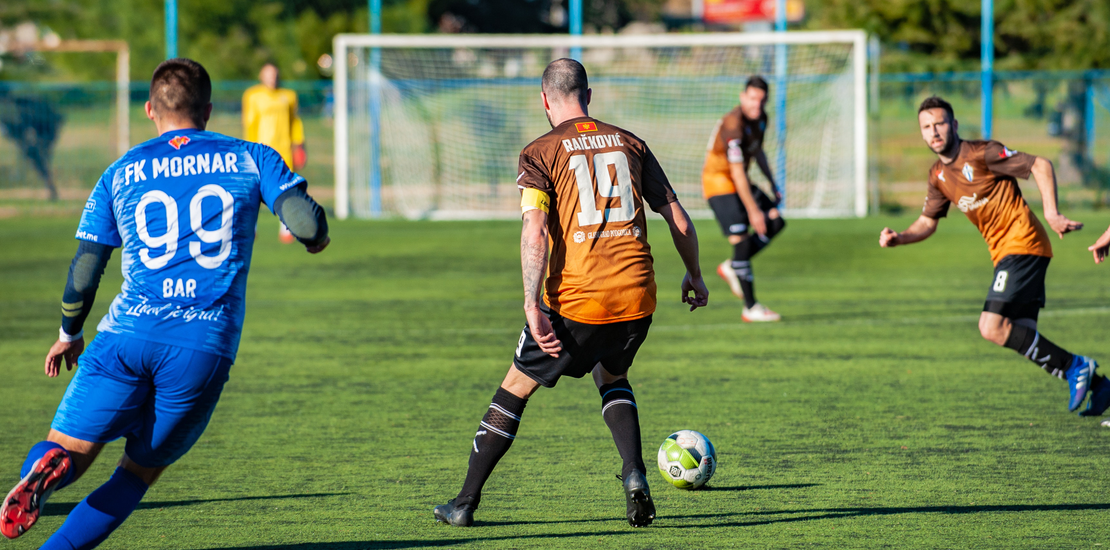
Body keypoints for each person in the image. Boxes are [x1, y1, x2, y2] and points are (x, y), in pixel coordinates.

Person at [0, 58, 330, 547]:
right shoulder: (251, 156)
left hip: (124, 335)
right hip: (201, 346)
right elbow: (306, 225)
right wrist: (316, 237)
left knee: (69, 448)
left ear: (151, 109)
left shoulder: (121, 170)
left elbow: (86, 267)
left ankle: (49, 471)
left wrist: (70, 331)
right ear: (209, 110)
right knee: (135, 475)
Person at [432, 58, 708, 528]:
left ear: (544, 99)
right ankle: (634, 474)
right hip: (638, 296)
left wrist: (530, 303)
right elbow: (678, 218)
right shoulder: (630, 142)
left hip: (578, 301)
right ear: (589, 95)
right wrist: (695, 275)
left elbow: (534, 230)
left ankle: (464, 503)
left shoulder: (539, 151)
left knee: (514, 389)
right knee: (612, 374)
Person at [879, 96, 1106, 416]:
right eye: (926, 127)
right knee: (1020, 334)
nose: (934, 132)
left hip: (1023, 243)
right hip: (1006, 254)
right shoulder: (937, 176)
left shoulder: (982, 154)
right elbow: (927, 222)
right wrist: (899, 238)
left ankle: (1076, 366)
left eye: (940, 123)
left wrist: (1052, 214)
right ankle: (1101, 387)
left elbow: (1040, 165)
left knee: (990, 326)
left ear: (954, 125)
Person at [702, 76, 785, 322]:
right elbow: (737, 171)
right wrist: (753, 210)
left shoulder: (761, 119)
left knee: (776, 222)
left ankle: (733, 265)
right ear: (742, 97)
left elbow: (758, 151)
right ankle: (751, 307)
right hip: (719, 183)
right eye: (752, 98)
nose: (756, 104)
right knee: (741, 237)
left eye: (761, 99)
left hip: (739, 183)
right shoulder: (732, 124)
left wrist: (772, 182)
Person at [242, 62, 307, 243]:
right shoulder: (253, 96)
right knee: (254, 190)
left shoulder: (289, 96)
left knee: (286, 189)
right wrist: (250, 148)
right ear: (261, 77)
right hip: (261, 150)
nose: (272, 78)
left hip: (284, 149)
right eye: (268, 75)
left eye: (275, 74)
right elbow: (250, 123)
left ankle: (286, 228)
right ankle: (251, 228)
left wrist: (299, 144)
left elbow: (295, 122)